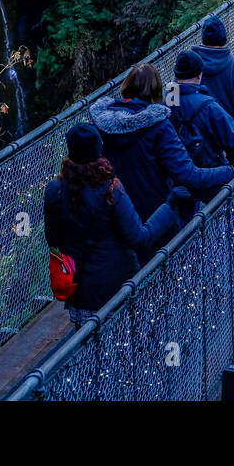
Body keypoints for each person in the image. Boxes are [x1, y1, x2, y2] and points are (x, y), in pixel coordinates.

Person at [43, 123, 190, 328]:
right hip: (118, 288)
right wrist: (170, 204)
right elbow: (139, 237)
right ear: (99, 150)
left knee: (86, 351)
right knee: (124, 348)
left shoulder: (54, 191)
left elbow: (53, 240)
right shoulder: (111, 189)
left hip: (80, 292)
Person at [89, 63, 234, 220]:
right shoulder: (159, 126)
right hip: (159, 215)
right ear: (156, 91)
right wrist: (229, 171)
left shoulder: (100, 126)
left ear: (126, 86)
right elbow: (188, 175)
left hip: (120, 215)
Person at [190, 15, 234, 132]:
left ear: (204, 37)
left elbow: (175, 94)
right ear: (223, 37)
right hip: (230, 131)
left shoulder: (189, 63)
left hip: (200, 134)